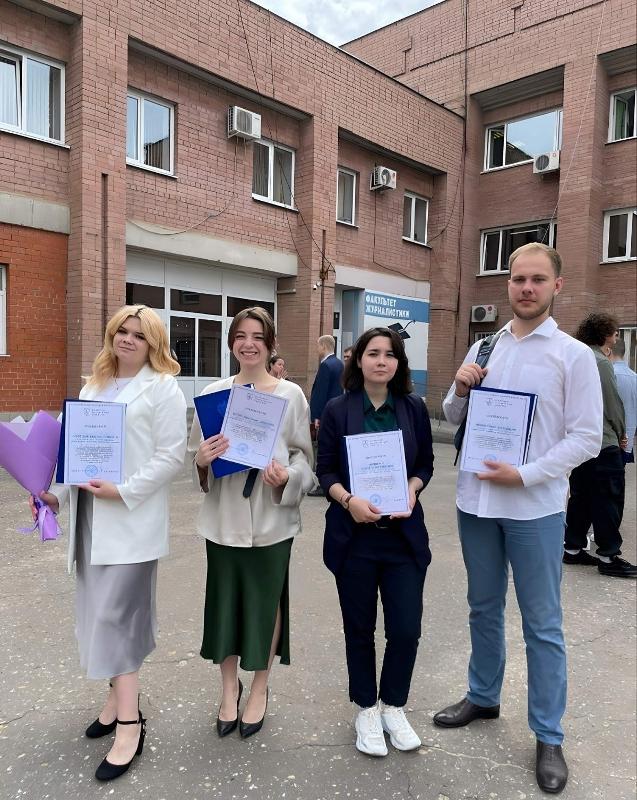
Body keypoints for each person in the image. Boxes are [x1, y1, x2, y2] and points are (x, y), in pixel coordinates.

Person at [435, 243, 603, 795]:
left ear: (557, 286)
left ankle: (548, 734)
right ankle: (483, 696)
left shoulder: (572, 356)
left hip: (534, 507)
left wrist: (526, 474)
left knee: (542, 624)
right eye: (517, 279)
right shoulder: (486, 344)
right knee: (483, 607)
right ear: (506, 284)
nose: (526, 288)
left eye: (537, 279)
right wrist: (460, 388)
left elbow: (587, 437)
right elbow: (452, 415)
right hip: (477, 503)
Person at [34, 305, 187, 781]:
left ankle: (129, 725)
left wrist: (124, 490)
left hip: (130, 522)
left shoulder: (163, 388)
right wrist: (54, 496)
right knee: (97, 617)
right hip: (91, 521)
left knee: (117, 620)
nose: (127, 339)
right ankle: (115, 701)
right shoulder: (93, 387)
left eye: (139, 335)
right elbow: (73, 455)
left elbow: (171, 457)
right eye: (122, 330)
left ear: (153, 344)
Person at [189, 307, 314, 740]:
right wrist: (202, 460)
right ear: (231, 344)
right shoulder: (213, 394)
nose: (249, 344)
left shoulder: (290, 396)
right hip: (224, 517)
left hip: (271, 518)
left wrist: (288, 477)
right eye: (241, 336)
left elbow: (304, 459)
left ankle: (260, 687)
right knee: (223, 605)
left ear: (270, 344)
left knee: (265, 605)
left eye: (258, 336)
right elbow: (197, 457)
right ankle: (229, 689)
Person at [316, 327, 434, 757]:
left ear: (399, 363)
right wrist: (348, 501)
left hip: (403, 539)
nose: (381, 361)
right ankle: (366, 708)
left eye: (389, 354)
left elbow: (426, 463)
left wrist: (413, 489)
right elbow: (325, 470)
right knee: (359, 629)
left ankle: (393, 706)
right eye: (373, 353)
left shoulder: (413, 407)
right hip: (356, 540)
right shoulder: (338, 409)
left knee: (405, 630)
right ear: (359, 360)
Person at [563, 314, 636, 578]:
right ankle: (608, 556)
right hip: (603, 441)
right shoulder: (601, 362)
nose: (616, 337)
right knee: (609, 499)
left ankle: (572, 549)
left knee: (580, 497)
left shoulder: (575, 357)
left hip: (578, 442)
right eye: (615, 333)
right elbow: (612, 404)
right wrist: (621, 433)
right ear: (605, 333)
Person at [308, 335, 344, 496]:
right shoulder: (339, 364)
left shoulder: (326, 366)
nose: (317, 350)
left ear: (323, 346)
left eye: (317, 346)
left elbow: (321, 393)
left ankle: (323, 485)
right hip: (337, 412)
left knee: (323, 450)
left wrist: (317, 416)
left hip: (325, 415)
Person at [611, 338, 636, 465]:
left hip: (609, 440)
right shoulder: (635, 377)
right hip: (628, 438)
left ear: (609, 350)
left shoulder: (609, 375)